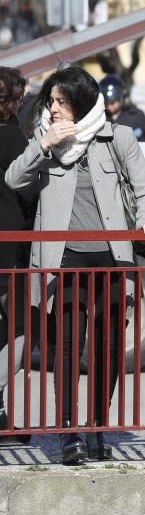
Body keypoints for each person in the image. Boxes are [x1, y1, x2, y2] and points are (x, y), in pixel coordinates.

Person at [5, 65, 145, 464]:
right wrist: (44, 144)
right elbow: (13, 180)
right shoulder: (44, 139)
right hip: (64, 258)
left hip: (112, 257)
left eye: (62, 102)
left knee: (109, 349)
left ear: (81, 102)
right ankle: (68, 433)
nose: (54, 108)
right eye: (51, 101)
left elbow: (144, 189)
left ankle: (96, 425)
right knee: (68, 347)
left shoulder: (118, 137)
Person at [0, 66, 35, 443]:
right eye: (20, 97)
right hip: (9, 252)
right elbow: (29, 194)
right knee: (20, 330)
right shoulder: (13, 140)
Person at [98, 74, 145, 142]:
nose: (109, 107)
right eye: (106, 103)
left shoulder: (136, 115)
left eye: (113, 103)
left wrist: (138, 147)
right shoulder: (100, 118)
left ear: (121, 99)